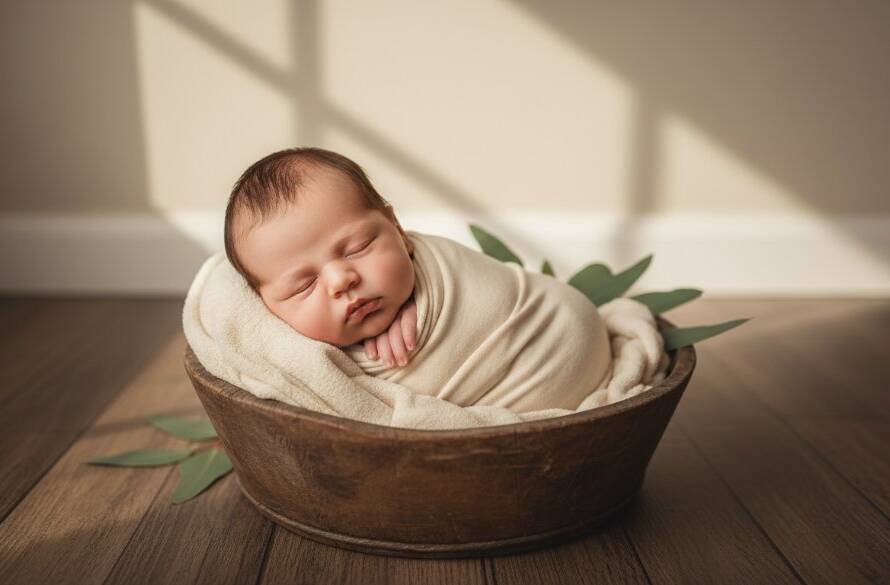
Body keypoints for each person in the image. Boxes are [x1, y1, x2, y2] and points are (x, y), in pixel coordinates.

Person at [224, 147, 419, 369]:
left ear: (398, 229)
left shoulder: (441, 276)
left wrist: (421, 305)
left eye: (358, 248)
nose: (340, 281)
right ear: (266, 308)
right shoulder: (284, 362)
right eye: (303, 286)